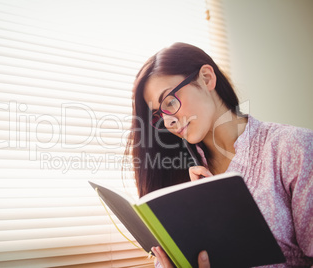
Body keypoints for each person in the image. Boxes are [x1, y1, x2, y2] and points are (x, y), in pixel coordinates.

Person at [124, 42, 313, 267]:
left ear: (206, 78)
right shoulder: (178, 180)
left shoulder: (293, 148)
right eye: (158, 115)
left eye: (170, 101)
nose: (169, 121)